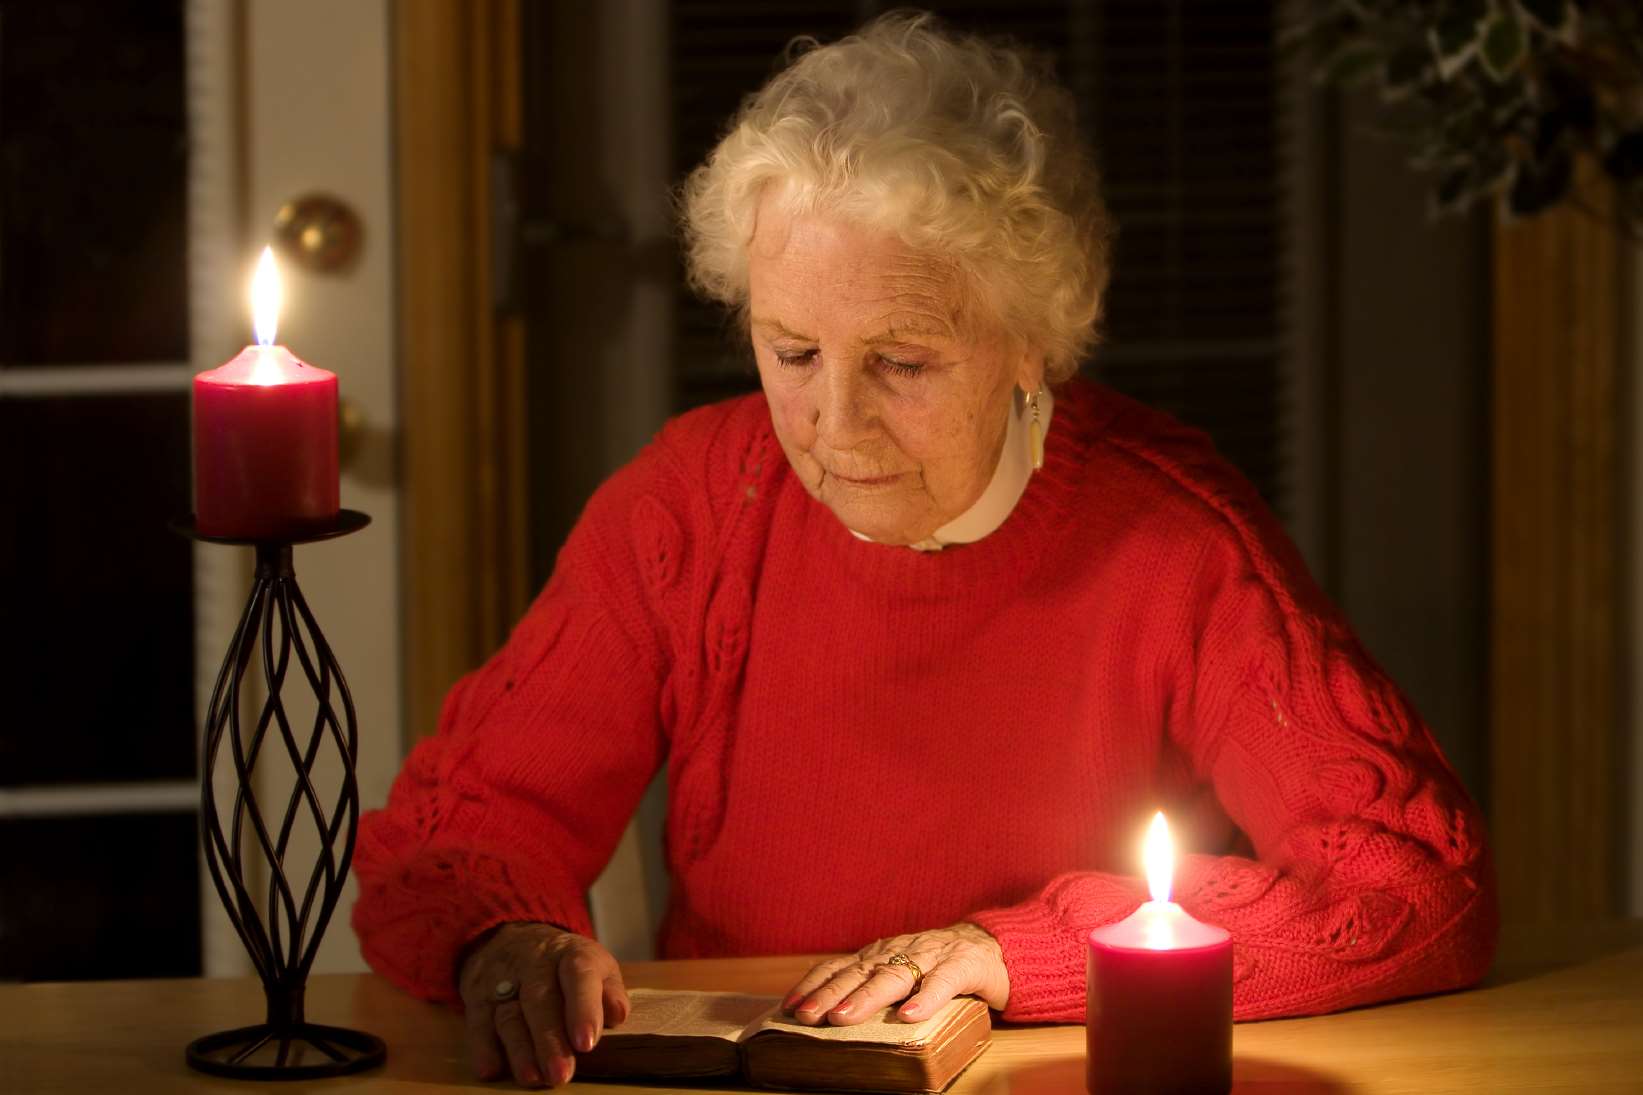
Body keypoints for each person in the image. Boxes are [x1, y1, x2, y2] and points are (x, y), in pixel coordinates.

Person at [352, 11, 1496, 1088]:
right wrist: (509, 936)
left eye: (901, 363)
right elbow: (454, 837)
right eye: (791, 352)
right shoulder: (693, 503)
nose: (833, 428)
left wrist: (1015, 955)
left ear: (1031, 344)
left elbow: (1411, 884)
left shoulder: (1174, 536)